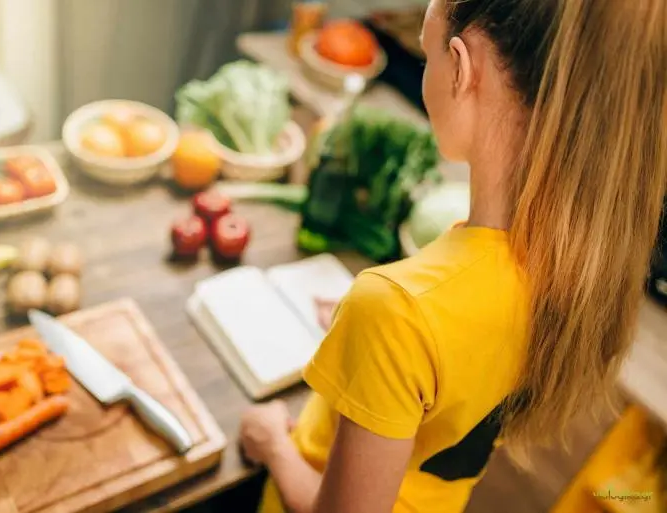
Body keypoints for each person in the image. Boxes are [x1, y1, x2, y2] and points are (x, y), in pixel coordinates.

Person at [240, 0, 667, 512]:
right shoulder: (572, 270)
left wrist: (273, 446)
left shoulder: (400, 309)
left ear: (462, 69)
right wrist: (381, 349)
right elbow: (455, 376)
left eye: (426, 55)